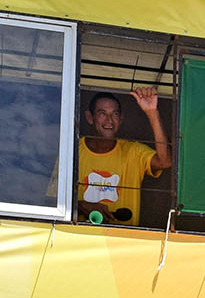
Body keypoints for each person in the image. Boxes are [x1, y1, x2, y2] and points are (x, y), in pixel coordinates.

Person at [73, 87, 171, 223]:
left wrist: (152, 112)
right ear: (90, 117)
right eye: (102, 113)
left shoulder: (134, 152)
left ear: (121, 119)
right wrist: (81, 205)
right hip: (76, 239)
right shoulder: (72, 151)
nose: (109, 121)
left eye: (114, 114)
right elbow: (51, 200)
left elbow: (164, 162)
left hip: (122, 242)